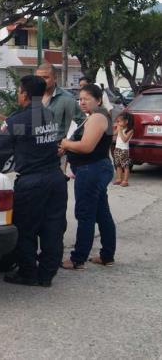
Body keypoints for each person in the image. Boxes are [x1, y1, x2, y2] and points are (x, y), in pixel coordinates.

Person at [0, 75, 68, 287]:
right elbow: (18, 127)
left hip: (32, 183)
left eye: (19, 91)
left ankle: (28, 273)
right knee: (53, 227)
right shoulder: (47, 114)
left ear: (25, 94)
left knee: (25, 228)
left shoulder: (19, 119)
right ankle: (46, 275)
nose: (17, 94)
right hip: (56, 179)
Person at [59, 84, 116, 269]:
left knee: (85, 214)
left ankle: (78, 259)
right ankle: (107, 255)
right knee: (101, 212)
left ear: (98, 100)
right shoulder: (93, 117)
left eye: (86, 99)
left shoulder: (98, 117)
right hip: (94, 169)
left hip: (92, 170)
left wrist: (66, 144)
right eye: (80, 99)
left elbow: (86, 146)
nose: (82, 102)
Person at [112, 112, 134, 187]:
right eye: (117, 121)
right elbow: (113, 134)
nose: (118, 123)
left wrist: (120, 130)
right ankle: (118, 179)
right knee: (118, 165)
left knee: (125, 166)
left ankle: (125, 181)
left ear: (126, 122)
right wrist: (114, 127)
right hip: (117, 148)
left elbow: (125, 139)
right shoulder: (120, 128)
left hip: (124, 150)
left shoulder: (130, 130)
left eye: (119, 121)